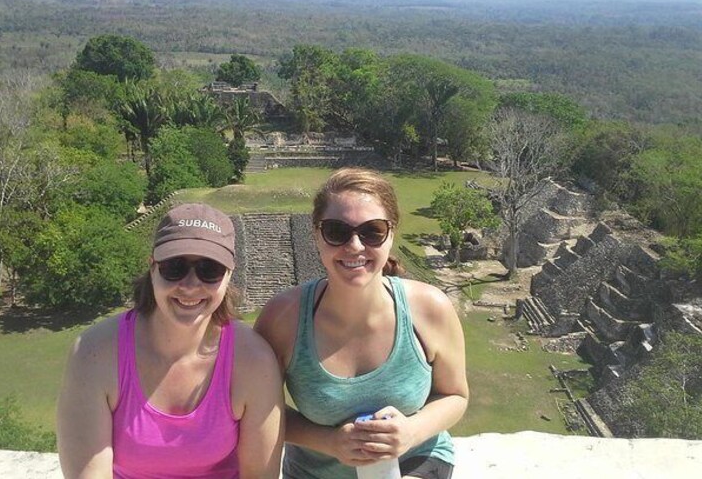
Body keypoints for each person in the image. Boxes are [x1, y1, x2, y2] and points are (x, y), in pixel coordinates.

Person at [255, 168, 468, 479]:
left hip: (415, 459)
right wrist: (330, 441)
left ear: (391, 235)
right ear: (316, 235)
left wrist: (410, 431)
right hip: (315, 472)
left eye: (372, 231)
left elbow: (456, 396)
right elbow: (257, 409)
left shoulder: (429, 309)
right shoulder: (283, 319)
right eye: (337, 232)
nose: (354, 246)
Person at [57, 203, 284, 479]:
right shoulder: (94, 354)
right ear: (152, 268)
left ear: (228, 275)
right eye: (174, 267)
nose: (189, 285)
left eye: (209, 269)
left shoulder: (252, 361)